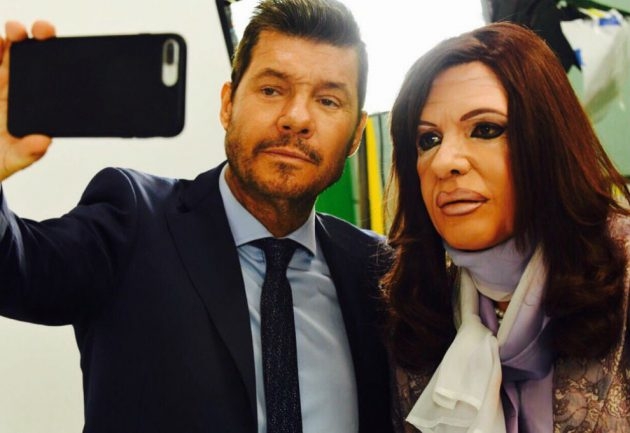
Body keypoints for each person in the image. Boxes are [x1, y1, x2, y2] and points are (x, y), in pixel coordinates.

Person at [0, 1, 394, 432]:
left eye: (328, 100)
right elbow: (15, 270)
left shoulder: (375, 268)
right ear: (228, 104)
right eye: (271, 90)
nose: (296, 118)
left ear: (356, 135)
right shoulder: (133, 219)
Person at [381, 21, 630, 433]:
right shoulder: (418, 308)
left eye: (485, 130)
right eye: (428, 140)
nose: (445, 162)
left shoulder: (622, 277)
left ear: (548, 141)